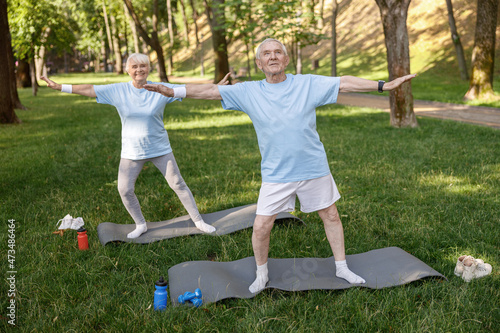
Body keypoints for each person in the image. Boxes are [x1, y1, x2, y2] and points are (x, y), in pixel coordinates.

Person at [144, 39, 416, 292]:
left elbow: (344, 83)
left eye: (277, 52)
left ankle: (342, 268)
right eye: (266, 54)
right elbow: (212, 91)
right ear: (260, 64)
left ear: (286, 60)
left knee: (331, 216)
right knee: (262, 226)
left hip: (313, 167)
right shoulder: (249, 91)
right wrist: (173, 90)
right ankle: (262, 274)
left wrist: (383, 85)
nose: (272, 56)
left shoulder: (307, 84)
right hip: (276, 173)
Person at [41, 53, 222, 239]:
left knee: (178, 184)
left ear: (149, 69)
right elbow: (89, 89)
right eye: (134, 67)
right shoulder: (118, 90)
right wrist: (59, 87)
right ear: (128, 70)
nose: (139, 70)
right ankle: (140, 224)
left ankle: (198, 221)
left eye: (143, 66)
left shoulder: (162, 88)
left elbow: (190, 90)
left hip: (160, 148)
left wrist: (216, 89)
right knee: (124, 189)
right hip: (132, 151)